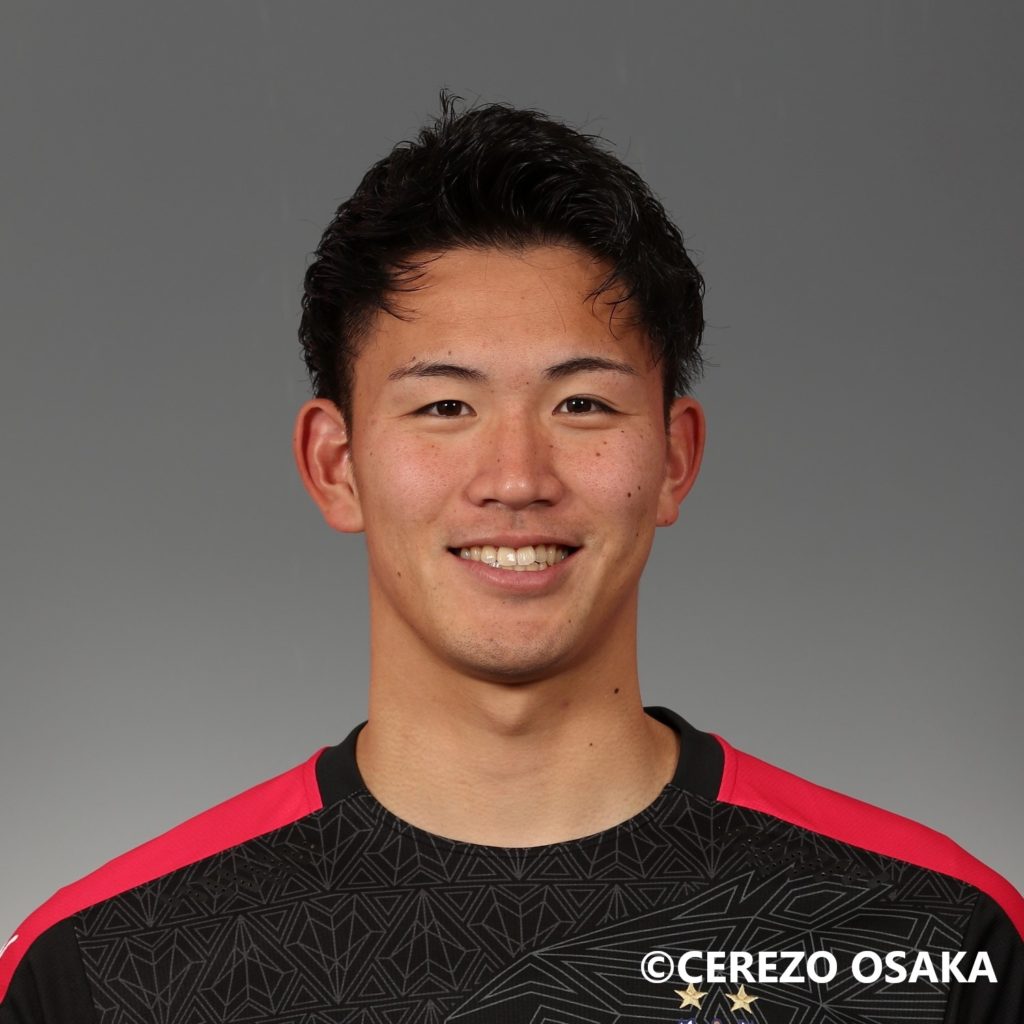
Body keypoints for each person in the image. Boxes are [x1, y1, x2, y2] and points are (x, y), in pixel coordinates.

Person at [1, 94, 1020, 1024]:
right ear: (336, 465)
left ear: (674, 459)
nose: (516, 476)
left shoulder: (934, 940)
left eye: (582, 403)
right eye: (446, 405)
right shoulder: (98, 968)